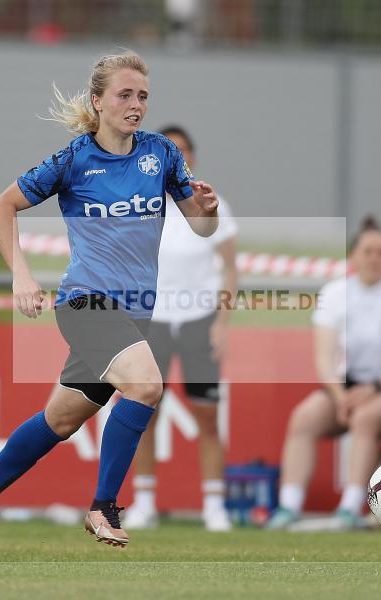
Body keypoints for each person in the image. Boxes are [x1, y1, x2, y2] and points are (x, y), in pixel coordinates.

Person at [0, 51, 219, 549]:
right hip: (86, 304)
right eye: (124, 95)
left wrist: (208, 211)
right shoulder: (74, 158)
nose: (135, 104)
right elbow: (2, 207)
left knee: (61, 419)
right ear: (98, 101)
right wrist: (21, 277)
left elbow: (202, 227)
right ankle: (103, 506)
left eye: (142, 95)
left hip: (133, 314)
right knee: (145, 385)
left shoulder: (160, 153)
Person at [265, 217, 381, 531]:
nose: (375, 258)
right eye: (368, 251)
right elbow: (324, 359)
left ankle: (350, 508)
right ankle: (288, 505)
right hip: (346, 385)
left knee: (365, 419)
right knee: (304, 418)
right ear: (353, 257)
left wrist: (373, 389)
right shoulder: (335, 293)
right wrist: (341, 398)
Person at [122, 125, 239, 532]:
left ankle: (213, 505)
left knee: (207, 415)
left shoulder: (211, 202)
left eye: (184, 151)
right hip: (152, 320)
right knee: (144, 413)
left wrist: (222, 322)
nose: (179, 158)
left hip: (198, 320)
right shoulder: (140, 201)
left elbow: (230, 268)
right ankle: (145, 501)